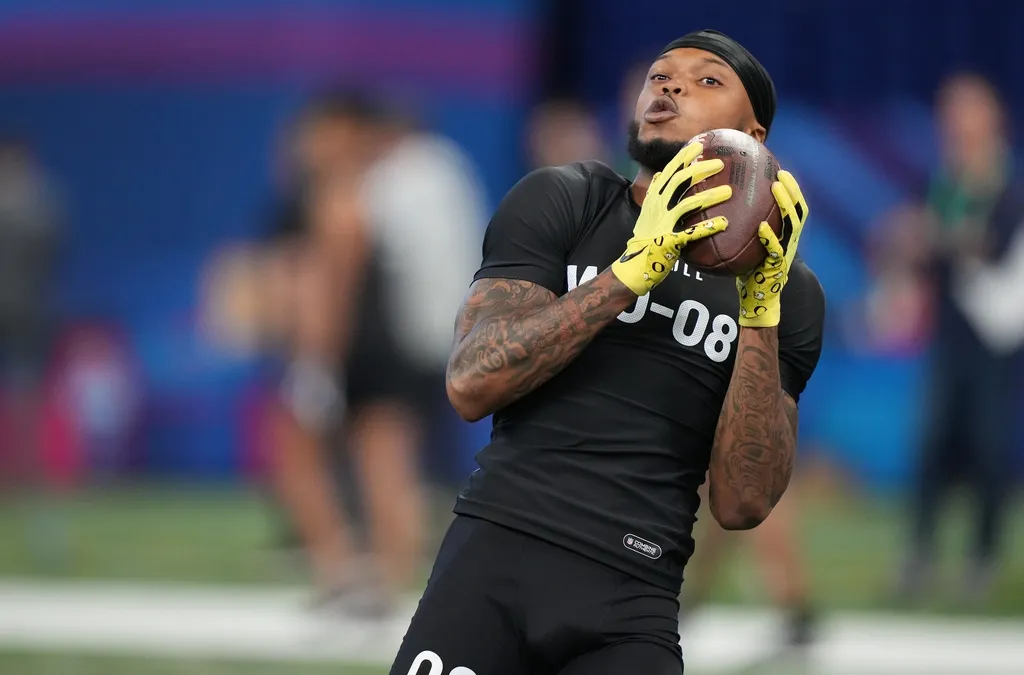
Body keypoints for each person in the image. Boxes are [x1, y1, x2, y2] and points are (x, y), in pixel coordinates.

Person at [389, 29, 825, 675]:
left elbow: (742, 502)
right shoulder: (567, 199)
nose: (670, 85)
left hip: (633, 594)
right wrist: (632, 272)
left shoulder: (790, 292)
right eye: (660, 74)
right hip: (495, 560)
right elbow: (471, 383)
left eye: (707, 79)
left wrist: (758, 309)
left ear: (752, 137)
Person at [898, 73, 1024, 606]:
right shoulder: (944, 181)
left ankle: (982, 557)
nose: (956, 122)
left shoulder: (1005, 181)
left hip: (998, 334)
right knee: (932, 445)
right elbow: (930, 252)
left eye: (967, 110)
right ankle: (921, 555)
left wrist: (936, 236)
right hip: (950, 334)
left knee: (991, 447)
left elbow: (991, 246)